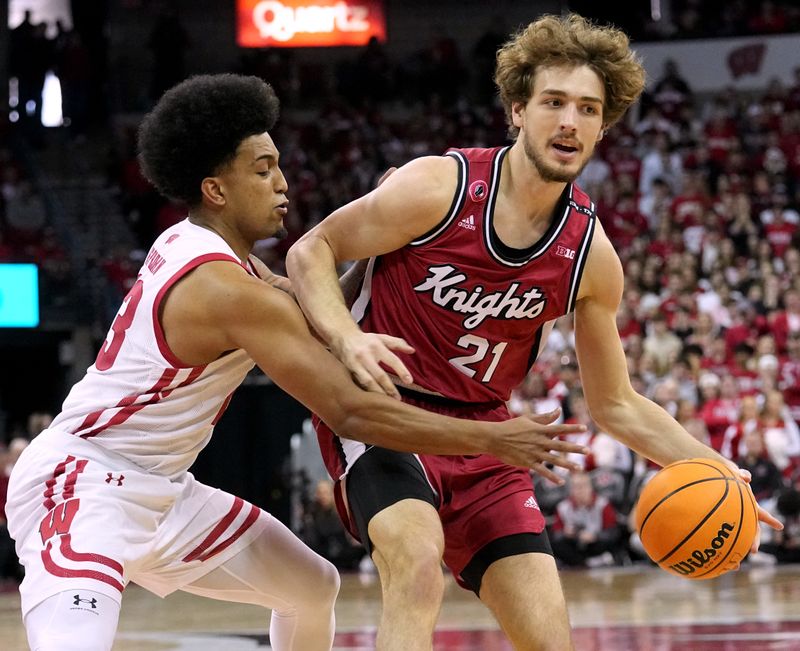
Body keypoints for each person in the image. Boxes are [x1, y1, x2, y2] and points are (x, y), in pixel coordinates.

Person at [4, 74, 590, 651]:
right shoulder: (223, 288)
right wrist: (493, 441)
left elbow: (309, 305)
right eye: (263, 169)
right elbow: (352, 412)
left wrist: (394, 245)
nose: (283, 182)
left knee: (312, 587)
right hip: (82, 486)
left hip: (163, 492)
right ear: (216, 189)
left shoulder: (222, 259)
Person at [286, 14, 783, 651]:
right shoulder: (440, 188)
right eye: (553, 103)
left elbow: (616, 404)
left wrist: (719, 470)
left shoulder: (590, 256)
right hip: (387, 416)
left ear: (605, 126)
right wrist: (347, 338)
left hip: (492, 438)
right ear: (517, 110)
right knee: (415, 568)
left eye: (587, 108)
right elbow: (311, 251)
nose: (569, 122)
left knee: (550, 641)